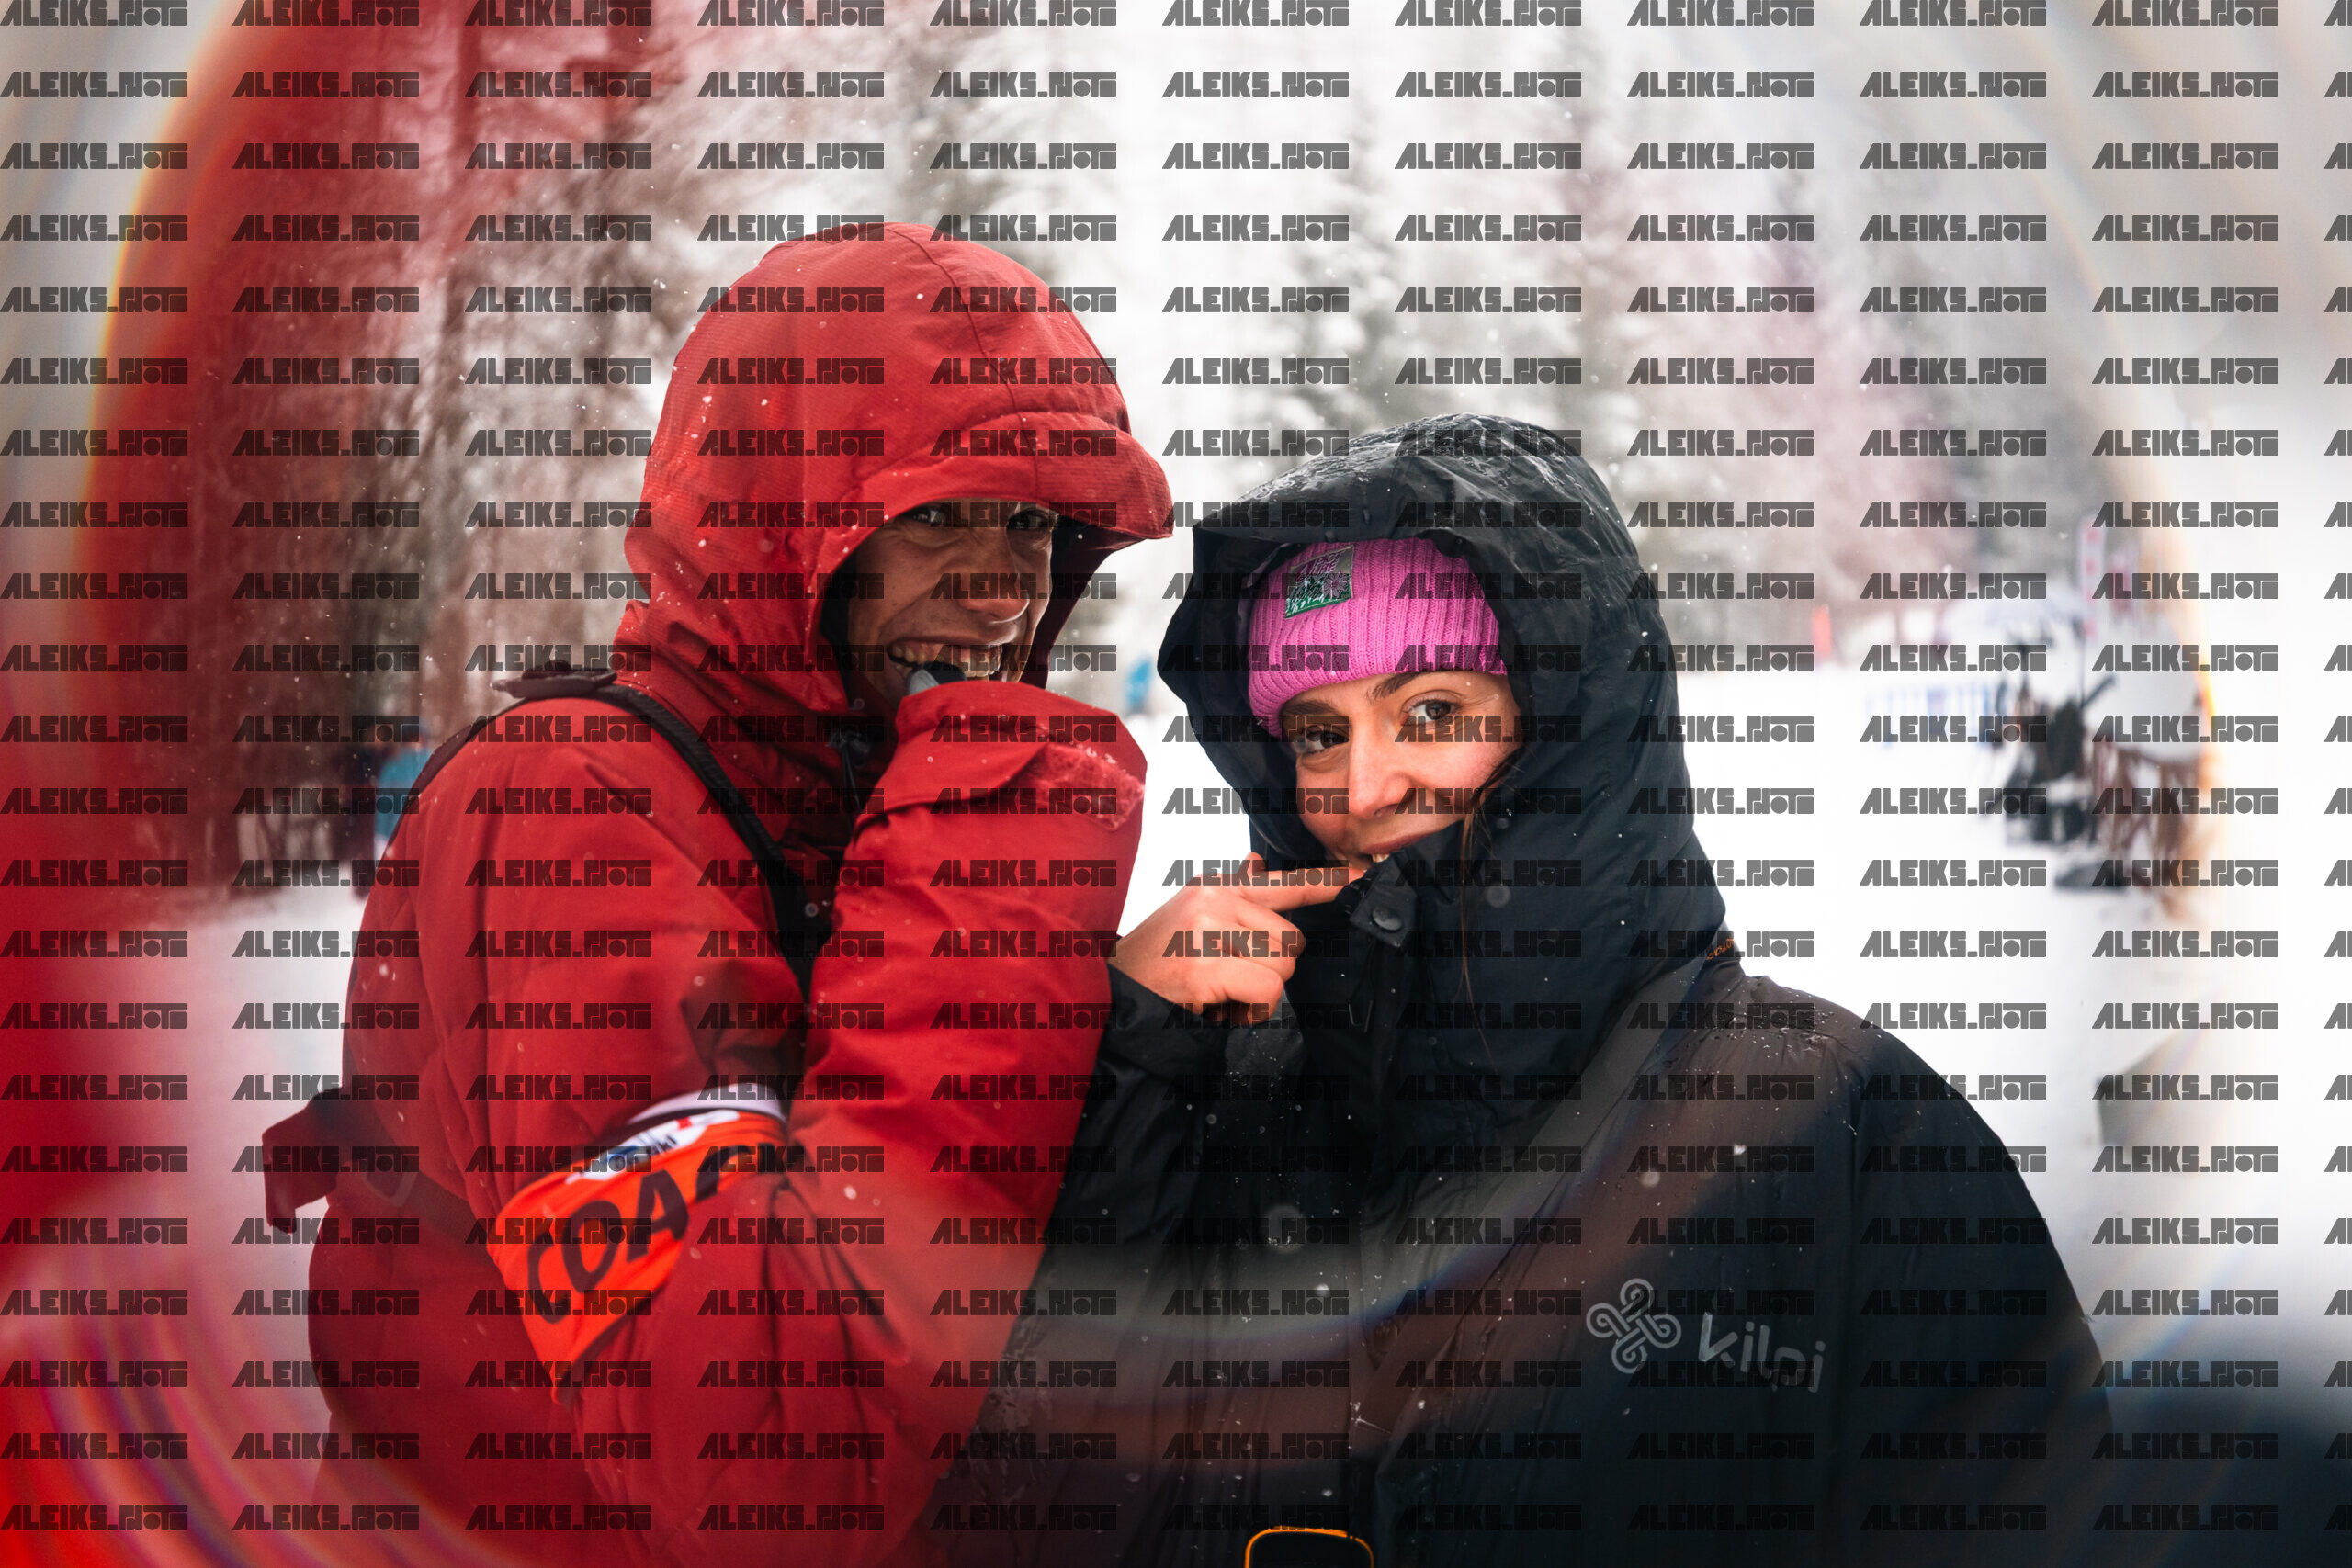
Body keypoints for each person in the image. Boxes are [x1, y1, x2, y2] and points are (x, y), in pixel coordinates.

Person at [930, 413, 2110, 1566]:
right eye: (1318, 733)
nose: (1363, 786)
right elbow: (1018, 1507)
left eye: (1430, 712)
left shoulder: (1844, 1127)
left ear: (1569, 723)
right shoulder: (1218, 1096)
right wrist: (1127, 1070)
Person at [272, 224, 1171, 1566]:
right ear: (779, 511)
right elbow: (774, 1471)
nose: (1003, 591)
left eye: (1033, 523)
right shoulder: (568, 807)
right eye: (938, 515)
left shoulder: (865, 803)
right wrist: (987, 883)